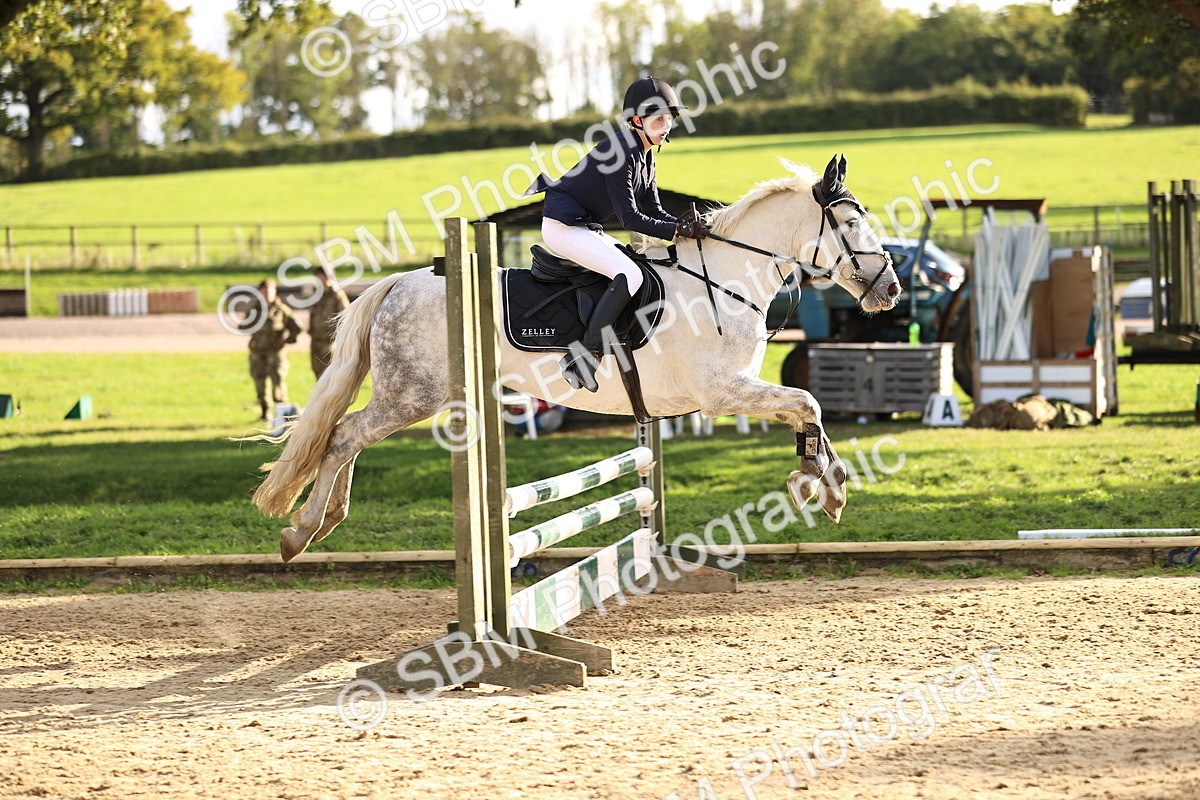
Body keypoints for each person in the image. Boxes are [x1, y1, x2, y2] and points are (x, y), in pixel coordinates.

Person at [525, 76, 707, 393]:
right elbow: (631, 219)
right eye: (659, 118)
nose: (667, 125)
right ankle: (583, 357)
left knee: (636, 265)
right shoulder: (620, 151)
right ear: (636, 120)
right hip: (562, 227)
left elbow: (654, 209)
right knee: (630, 274)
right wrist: (677, 230)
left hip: (583, 227)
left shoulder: (646, 154)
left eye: (670, 118)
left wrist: (685, 228)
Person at [245, 278, 301, 420]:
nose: (266, 294)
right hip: (257, 352)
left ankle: (281, 414)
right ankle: (264, 411)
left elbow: (296, 327)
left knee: (278, 381)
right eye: (264, 291)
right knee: (259, 381)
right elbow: (244, 326)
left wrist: (287, 340)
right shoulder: (254, 309)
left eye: (269, 291)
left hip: (275, 352)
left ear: (274, 292)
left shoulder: (281, 309)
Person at [307, 266, 349, 379]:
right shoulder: (316, 295)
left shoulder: (337, 295)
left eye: (320, 277)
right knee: (318, 373)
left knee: (331, 375)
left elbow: (345, 318)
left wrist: (336, 337)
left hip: (330, 343)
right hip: (316, 341)